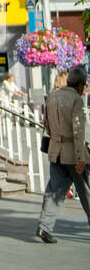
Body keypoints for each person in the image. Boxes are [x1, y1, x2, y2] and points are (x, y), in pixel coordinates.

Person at [36, 65, 90, 243]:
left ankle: (44, 227)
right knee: (86, 192)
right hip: (74, 154)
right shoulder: (76, 99)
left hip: (56, 152)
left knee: (54, 191)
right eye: (84, 85)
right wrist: (81, 158)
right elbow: (78, 131)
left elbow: (46, 124)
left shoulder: (52, 96)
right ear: (80, 84)